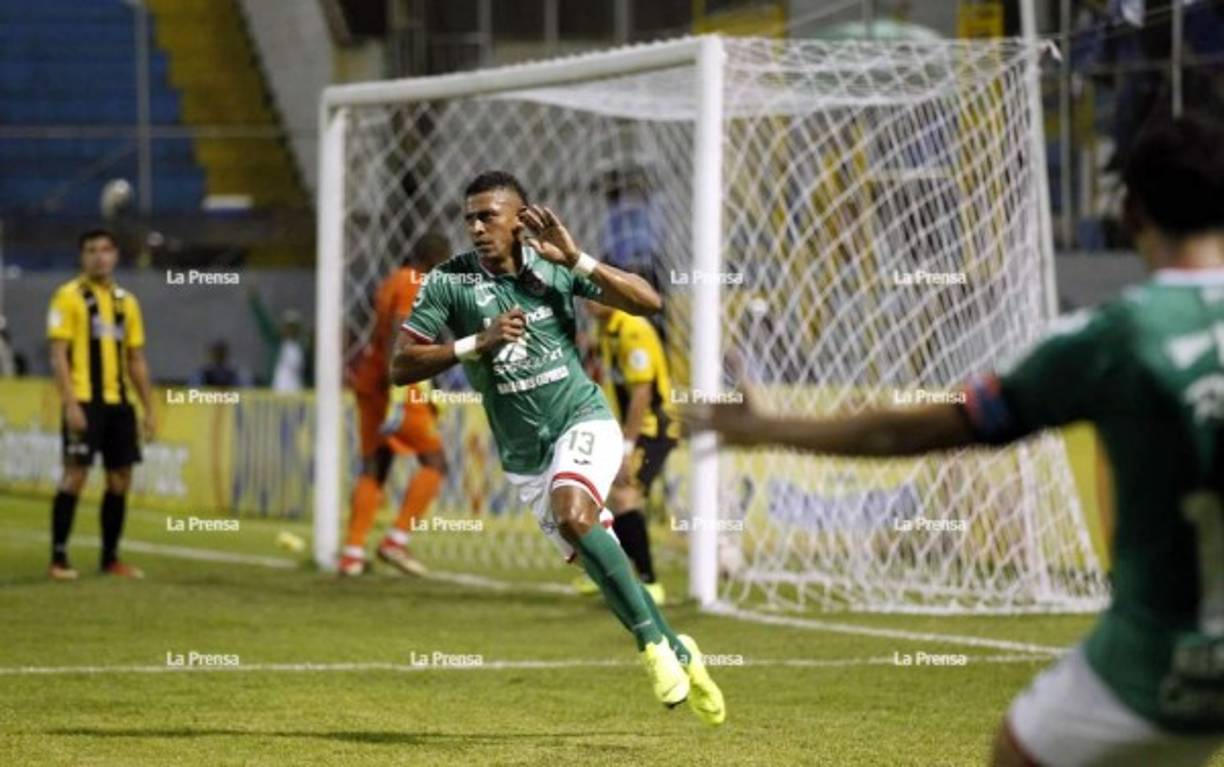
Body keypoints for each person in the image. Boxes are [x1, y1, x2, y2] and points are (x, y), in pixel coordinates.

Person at [685, 114, 1224, 766]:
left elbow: (906, 429)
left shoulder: (1114, 338)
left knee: (1016, 749)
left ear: (1132, 210)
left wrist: (766, 428)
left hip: (1158, 664)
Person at [391, 170, 725, 725]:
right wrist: (479, 341)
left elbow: (647, 302)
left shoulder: (554, 266)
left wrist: (579, 260)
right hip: (525, 457)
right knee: (597, 563)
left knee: (574, 510)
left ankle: (649, 646)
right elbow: (402, 364)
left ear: (519, 218)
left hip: (583, 420)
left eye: (488, 216)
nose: (475, 227)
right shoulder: (448, 283)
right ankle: (679, 648)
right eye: (469, 217)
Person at [46, 228, 155, 580]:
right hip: (84, 400)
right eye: (91, 250)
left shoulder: (127, 303)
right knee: (75, 474)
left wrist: (149, 408)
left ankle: (110, 558)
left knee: (120, 478)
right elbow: (58, 355)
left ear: (116, 256)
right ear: (82, 257)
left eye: (106, 250)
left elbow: (135, 358)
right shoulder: (67, 297)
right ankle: (59, 558)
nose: (99, 256)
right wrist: (70, 404)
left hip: (119, 404)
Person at [340, 232, 452, 577]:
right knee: (435, 462)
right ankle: (396, 540)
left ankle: (353, 554)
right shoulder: (414, 283)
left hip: (369, 383)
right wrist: (398, 387)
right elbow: (399, 330)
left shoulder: (390, 281)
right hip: (396, 384)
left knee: (376, 465)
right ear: (435, 259)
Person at [573, 299, 679, 605]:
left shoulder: (633, 329)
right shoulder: (607, 327)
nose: (588, 301)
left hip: (654, 427)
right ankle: (608, 569)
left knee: (624, 495)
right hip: (632, 427)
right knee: (605, 495)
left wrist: (627, 447)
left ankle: (650, 582)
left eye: (596, 294)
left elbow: (642, 392)